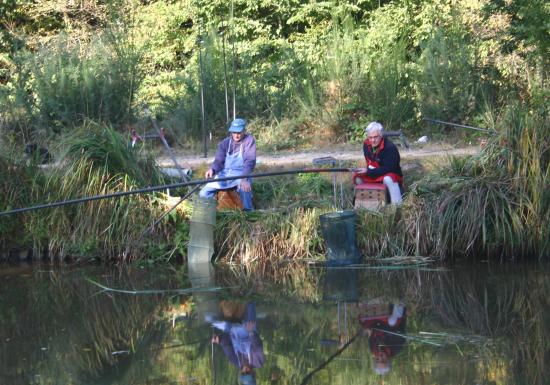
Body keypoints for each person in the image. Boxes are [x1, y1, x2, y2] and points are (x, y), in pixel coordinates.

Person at [199, 118, 256, 210]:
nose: (236, 135)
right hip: (224, 174)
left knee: (244, 189)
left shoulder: (249, 140)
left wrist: (244, 178)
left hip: (241, 174)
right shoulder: (225, 143)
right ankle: (213, 211)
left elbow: (250, 161)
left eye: (239, 133)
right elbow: (219, 161)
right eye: (234, 132)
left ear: (244, 131)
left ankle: (248, 212)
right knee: (203, 193)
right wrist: (212, 169)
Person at [209, 302, 265, 385]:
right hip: (247, 331)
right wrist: (251, 333)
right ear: (253, 373)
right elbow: (258, 346)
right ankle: (251, 301)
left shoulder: (235, 361)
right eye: (248, 373)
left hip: (231, 330)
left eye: (243, 373)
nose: (245, 370)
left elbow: (227, 346)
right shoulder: (258, 362)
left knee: (209, 318)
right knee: (250, 313)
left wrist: (219, 340)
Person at [353, 122, 403, 204]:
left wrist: (368, 171)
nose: (373, 140)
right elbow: (369, 162)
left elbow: (388, 169)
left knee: (388, 179)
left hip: (389, 174)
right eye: (370, 137)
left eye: (375, 137)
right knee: (358, 177)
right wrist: (364, 170)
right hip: (374, 173)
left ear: (381, 136)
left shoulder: (390, 148)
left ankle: (397, 205)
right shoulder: (366, 144)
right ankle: (364, 205)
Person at [359, 303, 406, 375]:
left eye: (377, 360)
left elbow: (371, 333)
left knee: (362, 321)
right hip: (392, 320)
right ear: (388, 360)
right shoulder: (397, 349)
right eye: (383, 360)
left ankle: (368, 302)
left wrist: (368, 329)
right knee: (392, 321)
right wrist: (380, 330)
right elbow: (398, 331)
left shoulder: (373, 350)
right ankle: (399, 301)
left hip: (378, 322)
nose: (380, 357)